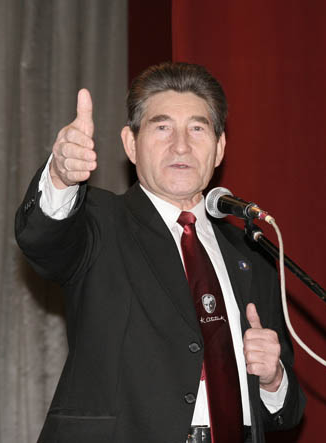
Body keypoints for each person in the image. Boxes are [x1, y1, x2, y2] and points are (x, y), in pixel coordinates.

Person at [15, 62, 305, 443]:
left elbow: (287, 412)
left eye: (197, 129)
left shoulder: (250, 253)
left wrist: (273, 379)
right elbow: (42, 238)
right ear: (130, 144)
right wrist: (60, 176)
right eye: (162, 127)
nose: (181, 145)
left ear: (219, 148)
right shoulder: (100, 221)